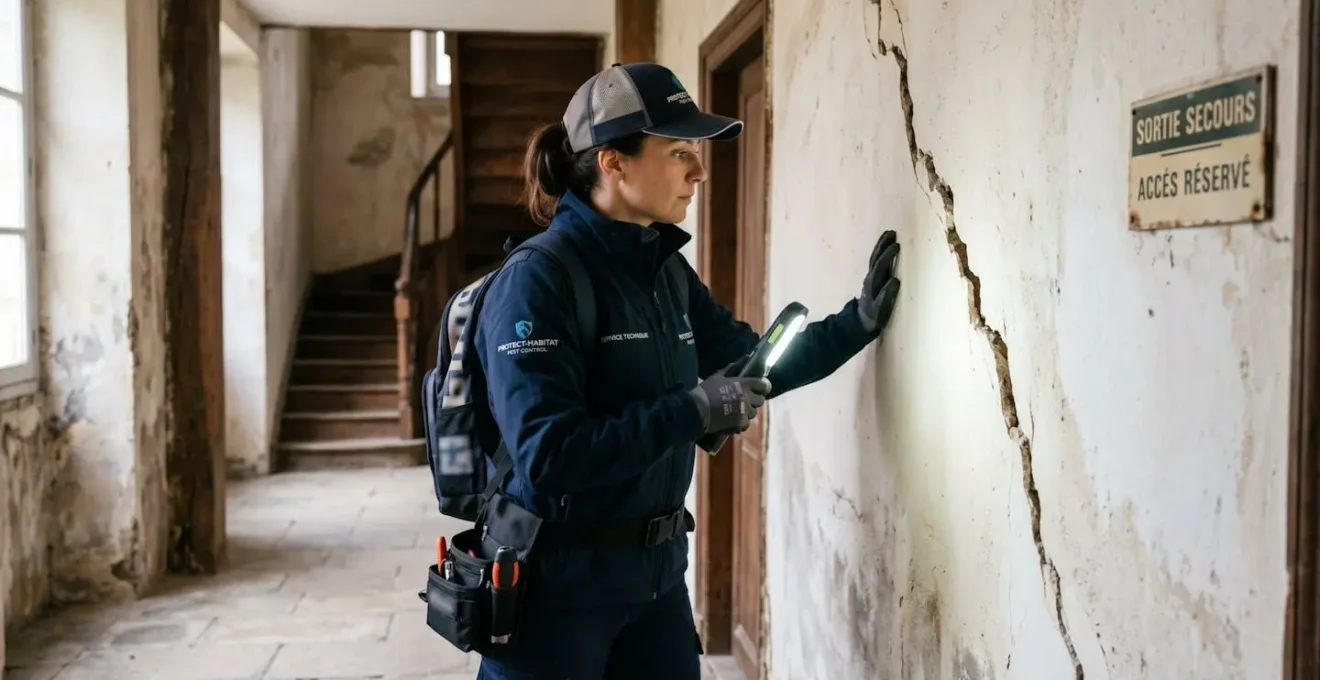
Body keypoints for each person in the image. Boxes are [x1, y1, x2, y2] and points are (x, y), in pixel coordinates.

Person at [471, 62, 901, 680]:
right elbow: (549, 454)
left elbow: (752, 361)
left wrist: (852, 325)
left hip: (656, 586)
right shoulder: (538, 282)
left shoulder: (662, 269)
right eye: (678, 153)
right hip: (555, 596)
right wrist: (694, 409)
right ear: (613, 163)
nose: (699, 171)